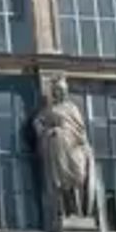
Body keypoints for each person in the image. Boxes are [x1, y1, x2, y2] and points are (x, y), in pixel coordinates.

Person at [34, 76, 98, 221]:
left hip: (74, 147)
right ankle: (65, 212)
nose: (61, 93)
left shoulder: (72, 108)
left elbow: (80, 129)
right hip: (57, 149)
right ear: (54, 93)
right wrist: (48, 132)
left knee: (79, 177)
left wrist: (84, 144)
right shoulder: (49, 110)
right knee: (61, 183)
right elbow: (38, 123)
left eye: (63, 90)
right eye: (57, 90)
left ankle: (80, 211)